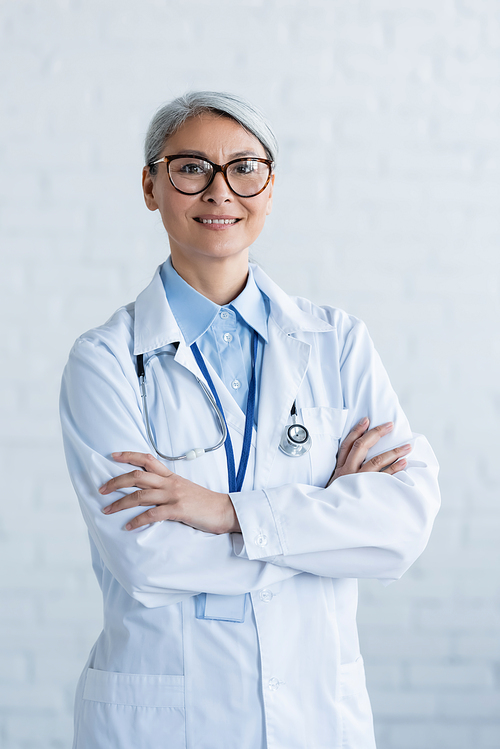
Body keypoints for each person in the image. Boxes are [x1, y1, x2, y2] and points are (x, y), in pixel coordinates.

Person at [60, 91, 440, 749]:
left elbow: (401, 527)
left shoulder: (336, 342)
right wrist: (325, 519)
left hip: (316, 714)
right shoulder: (107, 361)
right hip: (167, 718)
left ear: (269, 186)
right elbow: (148, 558)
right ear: (151, 185)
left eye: (244, 167)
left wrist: (222, 510)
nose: (220, 191)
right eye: (190, 168)